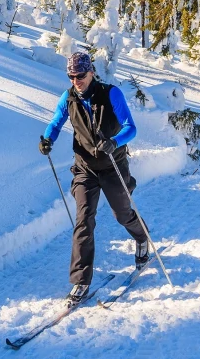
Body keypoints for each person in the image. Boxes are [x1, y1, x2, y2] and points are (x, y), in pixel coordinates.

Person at [40, 51, 149, 307]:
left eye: (80, 75)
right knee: (84, 220)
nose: (75, 80)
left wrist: (114, 142)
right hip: (85, 168)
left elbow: (130, 127)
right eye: (71, 76)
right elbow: (56, 123)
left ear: (91, 73)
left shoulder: (111, 93)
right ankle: (81, 281)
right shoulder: (68, 98)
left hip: (112, 164)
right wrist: (47, 139)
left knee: (122, 214)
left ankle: (142, 237)